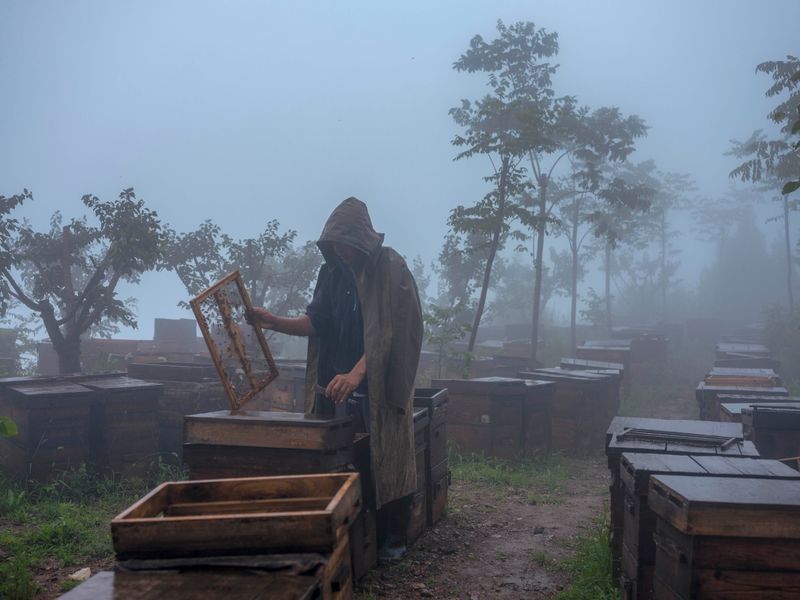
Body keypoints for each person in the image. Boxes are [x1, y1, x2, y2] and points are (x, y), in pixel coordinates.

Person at [249, 196, 423, 559]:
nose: (340, 251)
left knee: (387, 456)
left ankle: (394, 535)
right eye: (334, 245)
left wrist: (359, 373)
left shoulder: (390, 268)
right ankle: (352, 530)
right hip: (337, 382)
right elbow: (318, 322)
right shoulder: (330, 273)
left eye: (344, 244)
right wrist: (274, 322)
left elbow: (393, 331)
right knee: (343, 457)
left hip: (377, 381)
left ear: (361, 239)